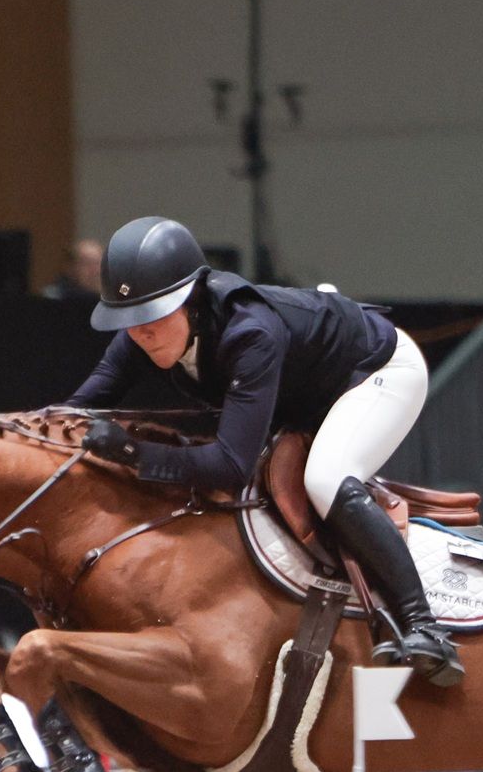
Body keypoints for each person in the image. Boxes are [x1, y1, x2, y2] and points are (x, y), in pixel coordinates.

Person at [45, 215, 462, 684]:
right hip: (306, 392)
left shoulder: (251, 333)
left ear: (192, 300)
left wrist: (133, 454)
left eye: (154, 314)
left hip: (378, 371)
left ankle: (425, 626)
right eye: (130, 319)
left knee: (325, 479)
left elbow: (230, 465)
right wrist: (9, 428)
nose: (141, 332)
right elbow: (76, 409)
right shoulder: (142, 333)